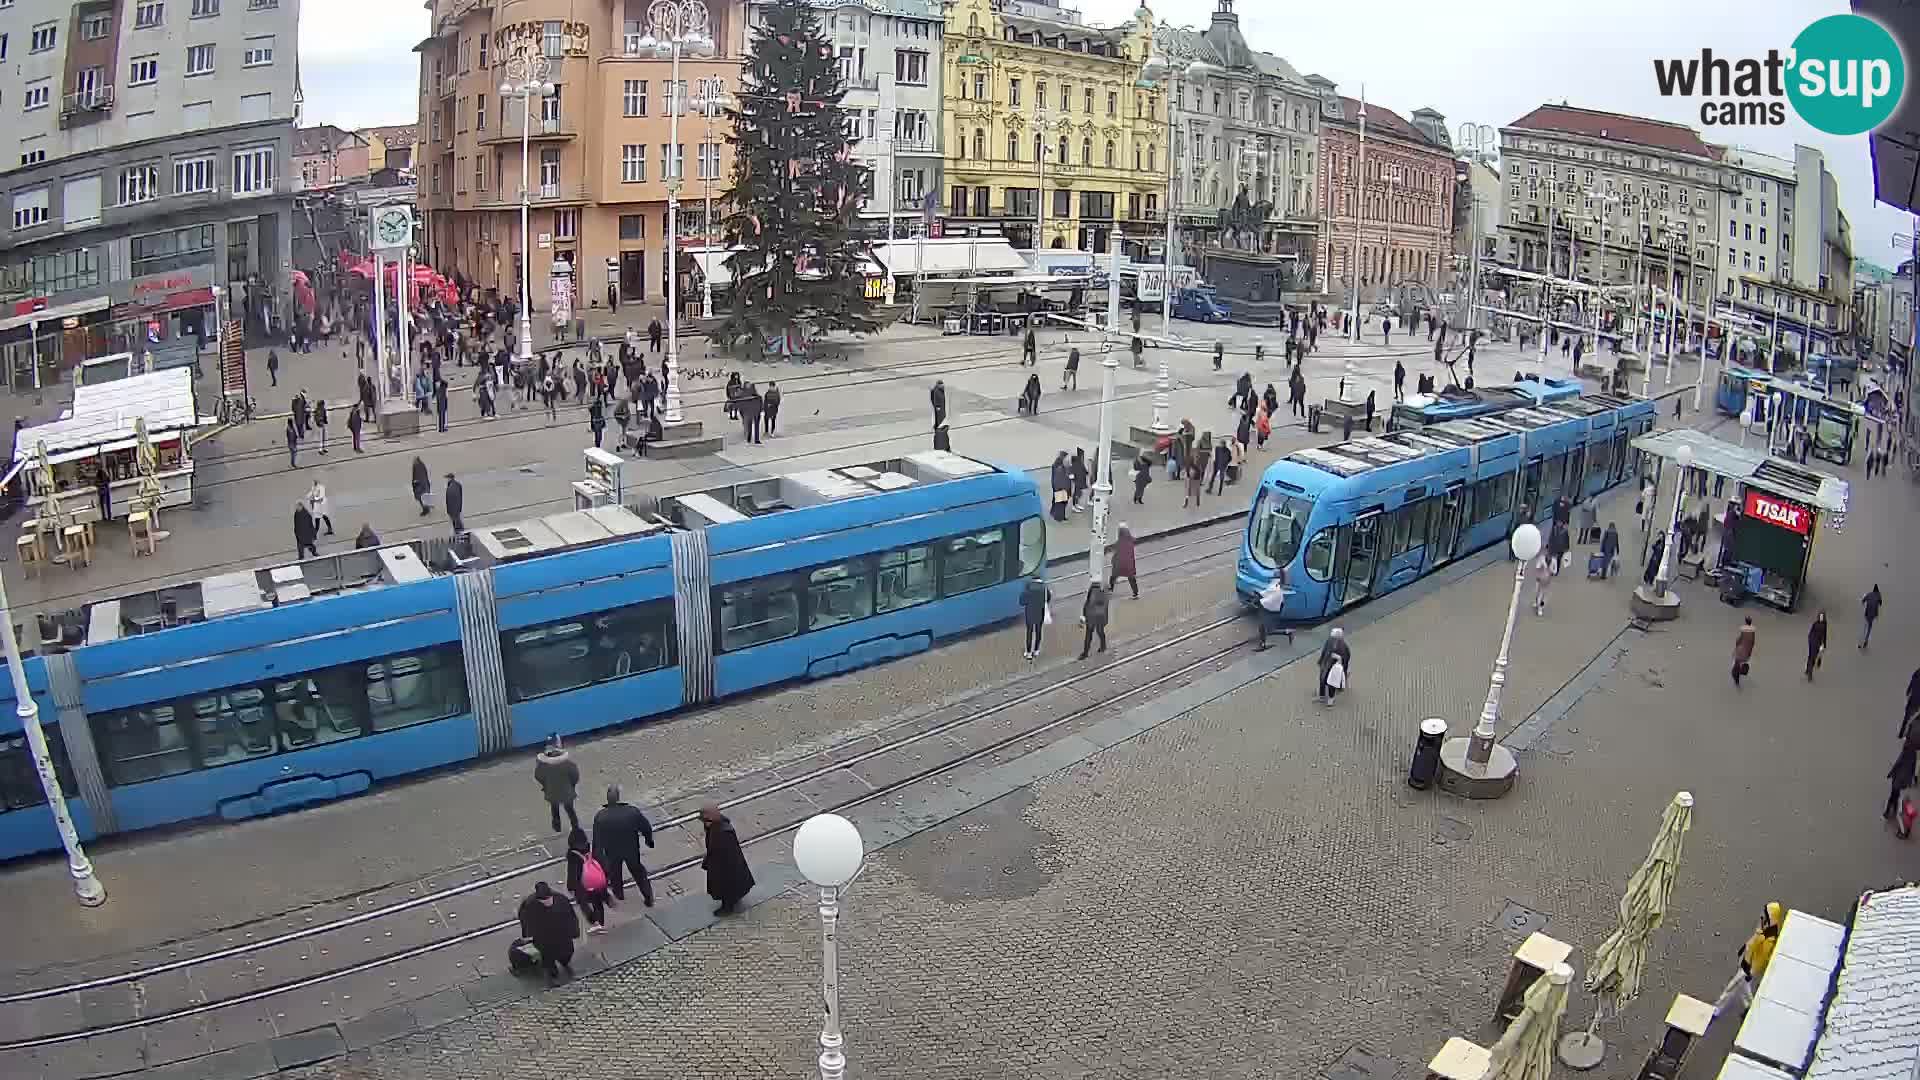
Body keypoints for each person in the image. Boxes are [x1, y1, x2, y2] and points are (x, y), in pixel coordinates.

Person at [1712, 903, 1783, 1020]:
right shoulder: (1764, 928)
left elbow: (1761, 958)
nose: (1763, 915)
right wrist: (1744, 948)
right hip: (1746, 961)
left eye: (1765, 913)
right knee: (1743, 988)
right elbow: (1753, 940)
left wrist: (1751, 971)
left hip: (1748, 967)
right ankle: (1750, 1008)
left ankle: (1717, 1009)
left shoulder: (1769, 938)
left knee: (1732, 987)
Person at [591, 784, 657, 907]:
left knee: (615, 874)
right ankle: (648, 897)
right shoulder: (632, 811)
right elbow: (646, 827)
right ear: (618, 798)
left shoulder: (600, 817)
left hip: (612, 853)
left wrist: (597, 860)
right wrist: (649, 841)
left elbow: (597, 842)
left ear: (607, 799)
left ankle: (619, 894)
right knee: (638, 872)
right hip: (631, 850)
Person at [515, 882, 580, 985]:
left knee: (567, 951)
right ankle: (553, 975)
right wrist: (528, 935)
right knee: (548, 957)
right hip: (543, 936)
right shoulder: (530, 904)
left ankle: (565, 963)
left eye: (548, 899)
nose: (547, 902)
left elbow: (571, 916)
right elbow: (525, 920)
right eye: (543, 901)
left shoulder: (561, 899)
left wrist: (574, 930)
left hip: (561, 933)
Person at [700, 803, 755, 916]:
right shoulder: (716, 827)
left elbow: (725, 853)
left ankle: (727, 907)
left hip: (725, 867)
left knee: (726, 887)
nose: (705, 823)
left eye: (706, 820)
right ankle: (731, 900)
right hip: (721, 864)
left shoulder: (723, 832)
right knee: (729, 887)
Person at [565, 827, 612, 934]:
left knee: (583, 904)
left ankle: (595, 922)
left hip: (583, 885)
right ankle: (601, 921)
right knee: (597, 902)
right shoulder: (589, 848)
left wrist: (570, 886)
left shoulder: (573, 855)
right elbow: (602, 861)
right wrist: (606, 876)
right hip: (596, 881)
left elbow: (573, 873)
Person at [534, 736, 580, 833]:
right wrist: (571, 786)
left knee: (554, 811)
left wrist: (546, 785)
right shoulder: (568, 763)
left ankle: (557, 829)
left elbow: (538, 776)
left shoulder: (543, 765)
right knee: (570, 810)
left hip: (552, 792)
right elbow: (575, 776)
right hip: (567, 791)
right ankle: (575, 827)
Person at [1254, 567, 1292, 650]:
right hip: (1268, 608)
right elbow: (1268, 592)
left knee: (1265, 627)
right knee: (1264, 627)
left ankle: (1263, 644)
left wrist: (1260, 600)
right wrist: (1260, 594)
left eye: (1275, 574)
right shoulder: (1275, 584)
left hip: (1270, 609)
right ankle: (1287, 632)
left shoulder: (1277, 588)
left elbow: (1271, 599)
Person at [1884, 733, 1919, 822]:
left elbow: (1897, 764)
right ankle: (1894, 810)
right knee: (1896, 794)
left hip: (1897, 778)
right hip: (1903, 780)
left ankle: (1887, 812)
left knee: (1893, 795)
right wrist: (1910, 780)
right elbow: (1913, 769)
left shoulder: (1904, 754)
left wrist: (1890, 773)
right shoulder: (1914, 756)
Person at [1317, 628, 1351, 705]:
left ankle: (1331, 698)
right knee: (1322, 679)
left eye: (1334, 638)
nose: (1332, 639)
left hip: (1334, 666)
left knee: (1331, 682)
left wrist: (1339, 658)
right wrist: (1321, 661)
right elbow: (1324, 651)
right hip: (1326, 664)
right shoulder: (1329, 642)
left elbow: (1346, 657)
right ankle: (1322, 696)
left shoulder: (1342, 646)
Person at [1020, 574, 1049, 660]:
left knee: (1029, 632)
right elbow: (1048, 599)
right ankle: (1036, 650)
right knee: (1038, 631)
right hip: (1040, 612)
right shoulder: (1044, 588)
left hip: (1029, 613)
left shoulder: (1028, 587)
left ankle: (1028, 653)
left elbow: (1022, 601)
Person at [1078, 582, 1110, 659]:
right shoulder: (1101, 588)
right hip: (1096, 616)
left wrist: (1084, 615)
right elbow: (1088, 603)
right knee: (1098, 632)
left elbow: (1089, 603)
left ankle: (1086, 653)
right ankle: (1102, 646)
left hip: (1094, 616)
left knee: (1091, 633)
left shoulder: (1097, 589)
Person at [1109, 525, 1138, 599]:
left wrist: (1113, 561)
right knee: (1131, 578)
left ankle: (1110, 589)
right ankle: (1135, 593)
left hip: (1120, 565)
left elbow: (1116, 554)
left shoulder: (1119, 543)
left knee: (1113, 577)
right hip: (1129, 564)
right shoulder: (1131, 541)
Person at [1731, 616, 1756, 687]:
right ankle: (1740, 673)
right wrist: (1750, 652)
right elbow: (1752, 642)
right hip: (1747, 650)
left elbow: (1740, 639)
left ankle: (1736, 677)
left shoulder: (1744, 629)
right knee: (1742, 661)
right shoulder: (1752, 631)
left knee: (1737, 662)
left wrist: (1737, 643)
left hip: (1741, 649)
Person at [1804, 610, 1828, 681]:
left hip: (1817, 643)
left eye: (1822, 617)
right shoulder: (1816, 624)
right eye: (1820, 616)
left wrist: (1824, 644)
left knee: (1811, 657)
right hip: (1813, 642)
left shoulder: (1824, 624)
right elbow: (1811, 633)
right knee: (1812, 657)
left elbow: (1824, 635)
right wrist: (1810, 640)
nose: (1821, 618)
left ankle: (1808, 670)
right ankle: (1809, 674)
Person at [1049, 451, 1070, 522]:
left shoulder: (1058, 465)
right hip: (1061, 488)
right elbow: (1061, 479)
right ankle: (1059, 516)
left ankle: (1058, 515)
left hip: (1058, 487)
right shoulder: (1060, 468)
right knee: (1061, 503)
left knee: (1060, 502)